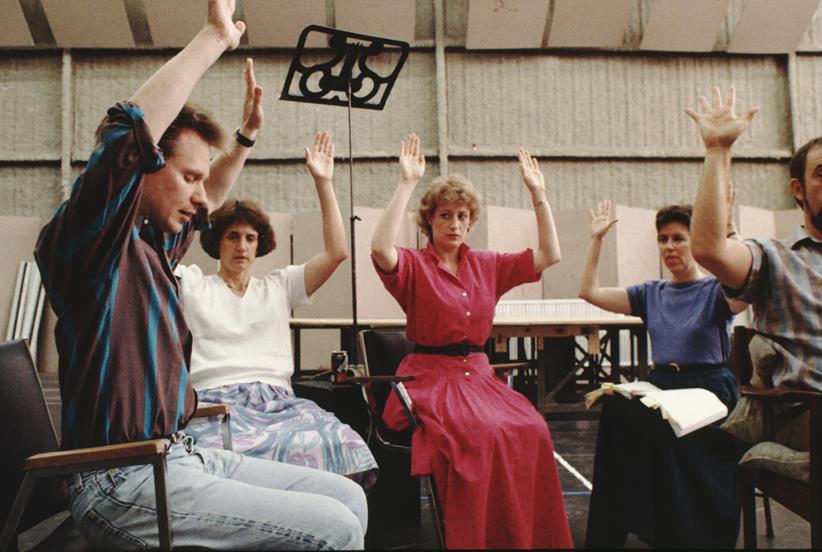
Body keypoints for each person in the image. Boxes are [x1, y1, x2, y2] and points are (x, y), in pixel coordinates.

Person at [33, 1, 366, 548]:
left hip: (178, 454)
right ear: (145, 168)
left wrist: (247, 138)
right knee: (334, 531)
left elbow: (209, 195)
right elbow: (127, 134)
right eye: (187, 176)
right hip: (122, 477)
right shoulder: (89, 246)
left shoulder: (153, 249)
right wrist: (213, 40)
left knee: (348, 498)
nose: (200, 196)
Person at [370, 134, 573, 549]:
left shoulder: (487, 265)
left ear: (472, 221)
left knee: (531, 427)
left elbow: (550, 254)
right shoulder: (413, 264)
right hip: (429, 377)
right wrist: (406, 183)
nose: (455, 224)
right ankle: (473, 539)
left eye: (463, 216)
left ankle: (517, 537)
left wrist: (539, 194)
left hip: (478, 375)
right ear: (429, 221)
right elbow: (378, 248)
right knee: (477, 437)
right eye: (445, 215)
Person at [178, 132, 378, 491]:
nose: (242, 246)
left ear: (260, 245)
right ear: (216, 241)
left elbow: (337, 253)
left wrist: (324, 183)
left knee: (341, 442)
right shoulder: (192, 284)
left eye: (250, 238)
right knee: (214, 464)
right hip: (214, 403)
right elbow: (158, 250)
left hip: (278, 403)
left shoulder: (278, 286)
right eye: (232, 236)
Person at [580, 196, 750, 548]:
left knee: (668, 435)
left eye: (679, 238)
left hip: (708, 388)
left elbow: (747, 286)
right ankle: (620, 529)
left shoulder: (715, 290)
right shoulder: (651, 293)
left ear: (696, 243)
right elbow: (589, 292)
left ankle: (685, 533)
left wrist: (730, 232)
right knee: (616, 412)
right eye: (663, 239)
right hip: (663, 385)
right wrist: (596, 240)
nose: (669, 247)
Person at [687, 86, 822, 449]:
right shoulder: (776, 258)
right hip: (808, 417)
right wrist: (718, 151)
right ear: (798, 190)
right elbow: (709, 249)